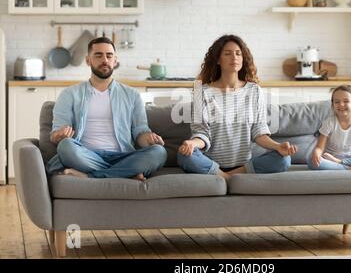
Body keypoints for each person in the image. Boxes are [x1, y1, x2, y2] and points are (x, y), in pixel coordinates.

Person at [177, 34, 298, 180]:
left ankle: (227, 177)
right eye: (227, 54)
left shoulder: (254, 90)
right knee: (184, 156)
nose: (234, 57)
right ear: (218, 60)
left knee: (284, 159)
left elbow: (259, 132)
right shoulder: (201, 92)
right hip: (210, 163)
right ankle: (224, 176)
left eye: (238, 53)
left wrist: (278, 146)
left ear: (243, 59)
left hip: (244, 164)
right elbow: (202, 133)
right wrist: (192, 143)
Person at [46, 37, 167, 180]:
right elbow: (55, 135)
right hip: (86, 156)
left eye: (109, 56)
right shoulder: (69, 94)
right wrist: (59, 136)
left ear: (115, 61)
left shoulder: (132, 95)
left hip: (123, 156)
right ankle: (126, 174)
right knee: (65, 147)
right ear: (88, 60)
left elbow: (140, 132)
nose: (105, 60)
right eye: (98, 55)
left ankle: (90, 176)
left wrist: (149, 139)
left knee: (159, 152)